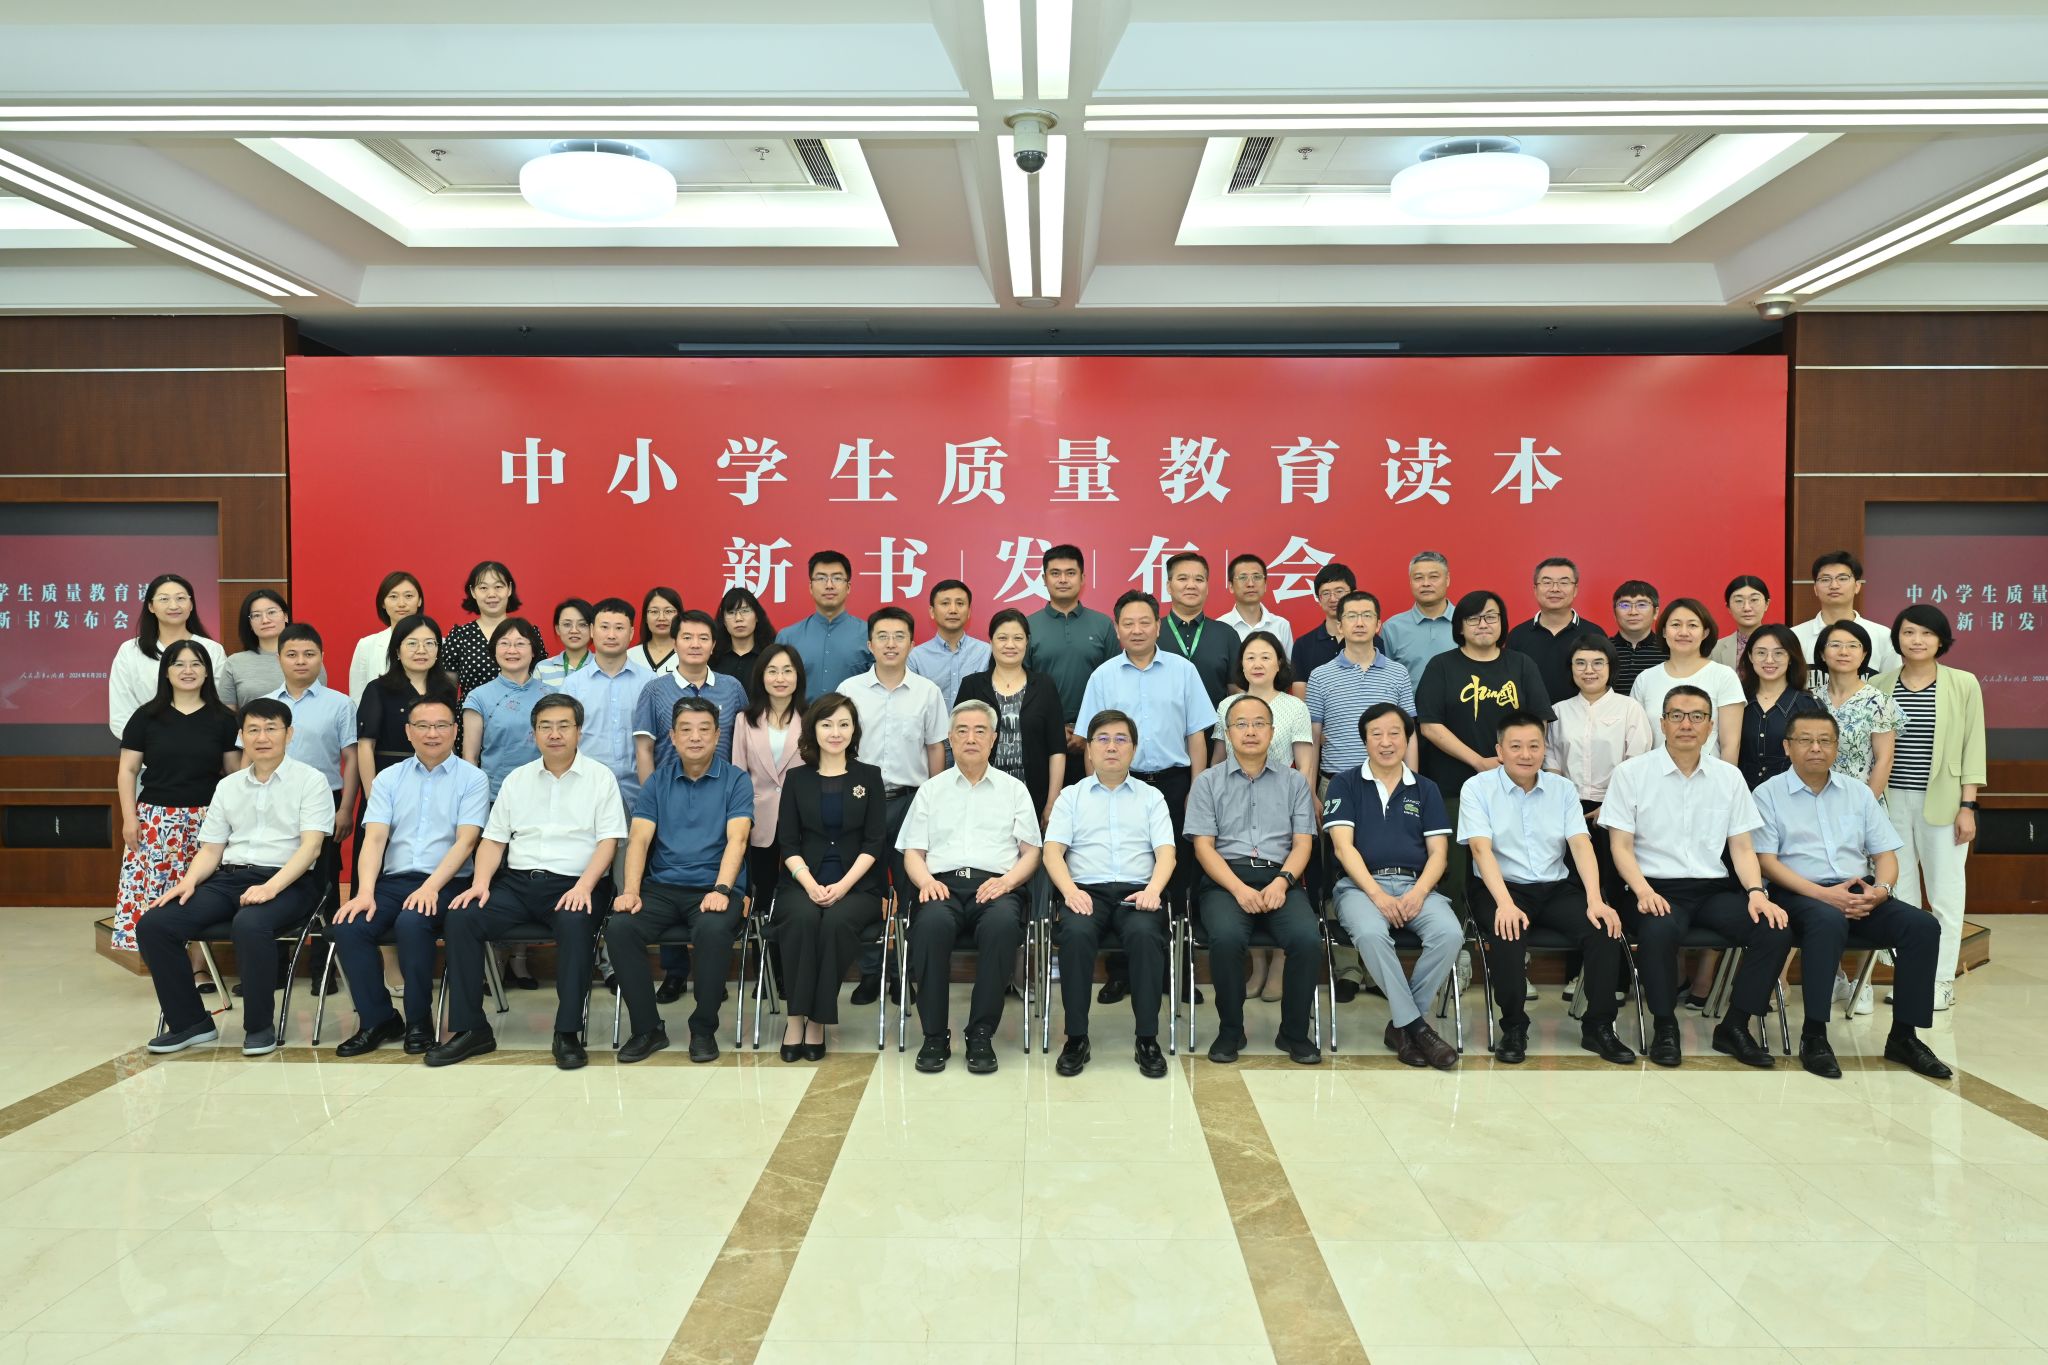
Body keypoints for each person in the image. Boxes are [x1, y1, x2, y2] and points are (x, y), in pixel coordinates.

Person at [430, 693, 625, 1070]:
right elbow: (494, 840)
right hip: (517, 884)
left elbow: (608, 842)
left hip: (576, 883)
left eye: (564, 726)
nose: (555, 734)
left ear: (579, 731)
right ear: (533, 733)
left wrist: (584, 886)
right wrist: (481, 883)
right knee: (463, 918)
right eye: (545, 726)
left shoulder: (600, 778)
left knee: (575, 922)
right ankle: (472, 1030)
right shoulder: (517, 779)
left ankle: (567, 1032)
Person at [1603, 684, 1794, 1069]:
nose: (1686, 725)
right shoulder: (1631, 773)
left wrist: (1756, 892)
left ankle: (1735, 1025)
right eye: (1676, 716)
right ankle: (1665, 1026)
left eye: (1697, 717)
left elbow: (1742, 847)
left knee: (1773, 928)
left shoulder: (1729, 778)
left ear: (1710, 726)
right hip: (1651, 886)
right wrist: (1642, 890)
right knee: (1658, 929)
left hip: (1712, 890)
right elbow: (1620, 846)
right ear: (1662, 723)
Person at [1753, 710, 1952, 1080]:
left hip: (1859, 891)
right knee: (1827, 920)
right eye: (1805, 740)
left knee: (1922, 926)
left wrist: (1881, 891)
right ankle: (1814, 1035)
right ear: (1787, 746)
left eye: (1825, 740)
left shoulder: (1857, 793)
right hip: (1799, 893)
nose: (1816, 748)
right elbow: (1766, 862)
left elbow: (1886, 856)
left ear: (1836, 746)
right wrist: (1824, 895)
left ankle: (1904, 1036)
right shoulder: (1768, 794)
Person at [138, 697, 333, 1056]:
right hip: (228, 879)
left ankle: (258, 1027)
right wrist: (188, 882)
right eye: (253, 730)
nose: (262, 737)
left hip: (289, 882)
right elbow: (211, 849)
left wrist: (270, 887)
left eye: (271, 728)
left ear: (289, 734)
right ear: (242, 736)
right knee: (155, 924)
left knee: (250, 924)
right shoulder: (229, 786)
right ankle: (190, 1022)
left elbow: (311, 849)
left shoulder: (311, 781)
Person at [1460, 710, 1637, 1067]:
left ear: (1544, 749)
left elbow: (1581, 844)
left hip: (1555, 887)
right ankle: (1514, 1027)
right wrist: (1505, 904)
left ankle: (1599, 1026)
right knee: (1507, 931)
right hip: (1501, 888)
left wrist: (1595, 899)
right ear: (1499, 750)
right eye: (1516, 746)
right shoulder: (1477, 788)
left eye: (1534, 746)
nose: (1526, 754)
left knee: (1604, 928)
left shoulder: (1562, 789)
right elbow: (1480, 849)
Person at [329, 694, 489, 1057]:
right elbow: (375, 838)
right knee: (350, 925)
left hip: (449, 882)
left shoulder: (473, 778)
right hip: (394, 882)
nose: (432, 733)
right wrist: (364, 892)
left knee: (413, 921)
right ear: (408, 731)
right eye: (423, 726)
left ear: (455, 731)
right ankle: (379, 1019)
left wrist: (431, 887)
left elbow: (467, 842)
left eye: (441, 726)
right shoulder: (389, 778)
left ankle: (419, 1021)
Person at [1079, 591, 1213, 1005]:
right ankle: (1122, 973)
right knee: (1124, 872)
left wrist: (1197, 789)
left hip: (1174, 784)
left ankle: (1177, 972)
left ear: (1158, 625)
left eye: (1144, 622)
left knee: (1178, 875)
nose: (1136, 630)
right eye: (1128, 623)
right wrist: (1095, 795)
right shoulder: (1103, 676)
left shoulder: (1183, 670)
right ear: (1117, 629)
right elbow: (1091, 742)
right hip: (1120, 784)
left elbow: (1196, 735)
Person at [606, 697, 754, 1064]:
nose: (695, 737)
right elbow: (639, 839)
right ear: (672, 737)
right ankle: (647, 1029)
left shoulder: (736, 780)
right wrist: (631, 891)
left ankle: (703, 1029)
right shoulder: (658, 781)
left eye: (704, 730)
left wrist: (722, 889)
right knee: (621, 927)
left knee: (713, 929)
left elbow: (738, 839)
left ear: (717, 736)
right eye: (686, 730)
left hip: (715, 886)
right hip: (662, 887)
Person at [899, 700, 1043, 1074]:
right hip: (941, 885)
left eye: (980, 731)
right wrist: (926, 881)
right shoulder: (931, 790)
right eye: (962, 731)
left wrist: (1007, 882)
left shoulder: (1014, 790)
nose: (971, 738)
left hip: (997, 886)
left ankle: (980, 1034)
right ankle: (934, 1035)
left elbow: (1032, 852)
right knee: (929, 927)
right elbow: (912, 852)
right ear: (950, 738)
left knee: (1002, 926)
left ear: (994, 738)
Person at [1323, 702, 1461, 1070]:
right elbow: (1343, 848)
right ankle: (1417, 1027)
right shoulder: (1344, 783)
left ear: (1407, 738)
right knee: (1370, 934)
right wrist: (1377, 894)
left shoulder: (1426, 788)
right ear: (1365, 741)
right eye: (1376, 734)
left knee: (1449, 934)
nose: (1386, 742)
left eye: (1394, 733)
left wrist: (1418, 893)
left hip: (1417, 885)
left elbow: (1439, 853)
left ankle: (1402, 1027)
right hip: (1359, 887)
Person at [1188, 693, 1321, 1065]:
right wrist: (1238, 888)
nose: (1250, 731)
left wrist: (1282, 882)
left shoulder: (1294, 782)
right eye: (1241, 724)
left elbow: (1303, 844)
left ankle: (1293, 1033)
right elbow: (1203, 848)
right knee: (1226, 938)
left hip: (1281, 878)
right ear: (1228, 732)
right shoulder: (1207, 782)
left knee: (1307, 939)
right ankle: (1231, 1030)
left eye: (1259, 724)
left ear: (1273, 732)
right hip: (1225, 881)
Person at [1043, 708, 1175, 1079]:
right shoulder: (1071, 797)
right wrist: (1069, 891)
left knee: (1146, 935)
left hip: (1138, 892)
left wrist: (1153, 890)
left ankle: (1147, 1038)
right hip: (1086, 891)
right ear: (1089, 749)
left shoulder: (1151, 797)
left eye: (1121, 740)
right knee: (1075, 934)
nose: (1111, 747)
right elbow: (1052, 852)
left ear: (1133, 749)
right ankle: (1076, 1037)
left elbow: (1167, 852)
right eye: (1102, 739)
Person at [1874, 604, 1983, 1012]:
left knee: (1945, 896)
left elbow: (1973, 746)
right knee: (1899, 896)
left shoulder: (1962, 683)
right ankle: (1909, 980)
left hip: (1944, 802)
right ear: (1897, 639)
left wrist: (1968, 805)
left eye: (1926, 633)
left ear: (1940, 640)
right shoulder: (1881, 684)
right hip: (1890, 804)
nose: (1916, 640)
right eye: (1908, 632)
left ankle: (1941, 982)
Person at [1416, 590, 1553, 913]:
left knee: (1510, 860)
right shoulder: (1442, 666)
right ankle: (1457, 931)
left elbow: (1539, 721)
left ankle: (1507, 925)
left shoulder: (1521, 664)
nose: (1483, 624)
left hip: (1514, 785)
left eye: (1491, 617)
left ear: (1502, 623)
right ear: (1460, 627)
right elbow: (1430, 725)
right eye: (1473, 618)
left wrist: (1514, 763)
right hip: (1453, 785)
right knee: (1454, 865)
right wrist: (1478, 761)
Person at [843, 605, 949, 1006]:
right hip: (860, 802)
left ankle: (909, 973)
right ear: (870, 644)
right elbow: (839, 745)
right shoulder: (850, 690)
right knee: (865, 889)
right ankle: (872, 972)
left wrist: (934, 801)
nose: (891, 644)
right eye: (882, 636)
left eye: (899, 636)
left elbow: (935, 748)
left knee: (915, 889)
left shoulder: (927, 692)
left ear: (911, 643)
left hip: (911, 802)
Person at [774, 693, 887, 1059]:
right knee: (802, 919)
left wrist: (842, 886)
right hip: (802, 882)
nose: (835, 732)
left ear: (854, 731)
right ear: (813, 730)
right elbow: (788, 842)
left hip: (857, 886)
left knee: (836, 923)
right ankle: (795, 1017)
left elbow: (874, 842)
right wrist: (810, 884)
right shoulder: (797, 779)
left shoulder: (869, 777)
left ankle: (818, 1021)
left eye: (843, 724)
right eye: (827, 724)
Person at [114, 642, 239, 960]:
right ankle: (165, 964)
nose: (188, 671)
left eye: (196, 664)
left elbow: (233, 773)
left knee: (201, 894)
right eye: (179, 664)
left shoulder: (224, 718)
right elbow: (128, 770)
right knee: (155, 890)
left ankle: (199, 966)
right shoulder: (146, 716)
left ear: (207, 672)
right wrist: (130, 818)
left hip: (207, 820)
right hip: (155, 820)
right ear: (166, 672)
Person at [261, 624, 359, 944]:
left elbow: (352, 759)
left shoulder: (340, 704)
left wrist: (346, 809)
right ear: (279, 659)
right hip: (273, 799)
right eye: (292, 654)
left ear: (322, 657)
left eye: (309, 654)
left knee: (324, 880)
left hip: (326, 800)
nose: (301, 661)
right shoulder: (263, 705)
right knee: (272, 872)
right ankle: (275, 962)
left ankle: (324, 963)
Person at [1544, 633, 1653, 912]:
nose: (1588, 670)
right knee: (1574, 884)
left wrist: (1611, 806)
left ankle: (1621, 935)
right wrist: (1563, 807)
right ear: (1571, 668)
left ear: (1610, 667)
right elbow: (1551, 760)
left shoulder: (1630, 709)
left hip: (1616, 808)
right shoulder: (1558, 712)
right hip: (1570, 809)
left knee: (1615, 882)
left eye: (1597, 663)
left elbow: (1637, 763)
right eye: (1580, 663)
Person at [957, 608, 1067, 827]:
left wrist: (1052, 801)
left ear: (1027, 642)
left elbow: (1057, 749)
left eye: (1017, 638)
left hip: (1032, 797)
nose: (1010, 645)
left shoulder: (1044, 685)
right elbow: (959, 742)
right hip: (979, 794)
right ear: (991, 642)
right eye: (1002, 638)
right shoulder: (972, 685)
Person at [730, 644, 808, 939]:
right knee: (762, 897)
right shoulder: (744, 719)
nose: (780, 678)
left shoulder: (811, 717)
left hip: (802, 820)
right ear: (761, 676)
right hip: (758, 820)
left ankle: (791, 961)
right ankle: (765, 962)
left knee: (796, 896)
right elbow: (739, 774)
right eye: (772, 671)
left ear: (798, 676)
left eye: (787, 671)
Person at [1026, 544, 1119, 782]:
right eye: (1055, 573)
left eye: (1070, 573)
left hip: (1096, 739)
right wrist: (1053, 729)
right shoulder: (1027, 626)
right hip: (1041, 739)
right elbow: (1023, 687)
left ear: (1083, 578)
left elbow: (1114, 685)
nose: (1063, 580)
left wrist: (1087, 730)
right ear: (1044, 579)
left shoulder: (1103, 625)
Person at [555, 597, 654, 818]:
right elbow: (563, 741)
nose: (611, 635)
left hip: (638, 793)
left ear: (631, 633)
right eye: (604, 627)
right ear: (592, 630)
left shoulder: (649, 683)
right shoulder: (572, 685)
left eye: (619, 628)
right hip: (585, 793)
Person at [1307, 591, 1417, 781]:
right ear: (1340, 626)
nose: (1359, 623)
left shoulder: (1398, 673)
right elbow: (1314, 738)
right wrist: (1310, 788)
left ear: (1378, 624)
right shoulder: (1319, 676)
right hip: (1336, 781)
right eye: (1351, 616)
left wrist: (1412, 782)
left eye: (1367, 615)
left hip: (1389, 780)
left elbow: (1410, 734)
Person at [108, 573, 227, 739]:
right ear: (151, 606)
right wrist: (147, 742)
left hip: (202, 743)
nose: (173, 605)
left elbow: (219, 702)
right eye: (164, 599)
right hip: (146, 747)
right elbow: (121, 712)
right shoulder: (130, 650)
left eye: (181, 598)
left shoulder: (212, 649)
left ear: (191, 605)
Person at [635, 610, 748, 775]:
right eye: (687, 638)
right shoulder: (654, 690)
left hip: (723, 787)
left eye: (703, 638)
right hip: (669, 787)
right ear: (674, 644)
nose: (695, 645)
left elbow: (746, 745)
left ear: (713, 645)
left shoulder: (733, 688)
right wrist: (651, 791)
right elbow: (644, 749)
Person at [1629, 598, 1742, 762]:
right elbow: (1637, 743)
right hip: (1655, 773)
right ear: (1664, 631)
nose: (1683, 632)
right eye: (1675, 625)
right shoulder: (1645, 679)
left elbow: (1730, 745)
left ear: (1705, 633)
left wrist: (1725, 778)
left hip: (1708, 773)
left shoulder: (1723, 676)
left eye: (1692, 625)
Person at [356, 613, 460, 791]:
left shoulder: (446, 689)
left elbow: (449, 741)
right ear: (397, 650)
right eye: (412, 643)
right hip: (389, 781)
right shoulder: (378, 689)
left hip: (437, 781)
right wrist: (371, 794)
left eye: (429, 643)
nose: (421, 650)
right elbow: (366, 745)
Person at [460, 618, 552, 798]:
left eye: (520, 643)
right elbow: (470, 758)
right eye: (504, 643)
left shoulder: (551, 695)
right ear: (494, 650)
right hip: (496, 795)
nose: (512, 650)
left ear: (533, 650)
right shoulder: (478, 697)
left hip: (545, 793)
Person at [1813, 619, 1905, 799]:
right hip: (1812, 800)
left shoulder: (1879, 701)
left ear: (1864, 655)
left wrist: (1865, 806)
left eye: (1853, 646)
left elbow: (1884, 760)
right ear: (1822, 654)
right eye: (1835, 645)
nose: (1843, 652)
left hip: (1861, 800)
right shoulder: (1810, 699)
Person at [1735, 624, 1825, 789]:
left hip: (1793, 796)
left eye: (1778, 653)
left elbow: (1819, 757)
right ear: (1750, 656)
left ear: (1790, 657)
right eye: (1761, 653)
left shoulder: (1809, 705)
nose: (1769, 660)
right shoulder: (1736, 700)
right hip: (1742, 795)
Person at [777, 550, 871, 694]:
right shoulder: (787, 637)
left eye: (837, 578)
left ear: (848, 587)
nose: (829, 585)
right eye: (821, 578)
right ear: (810, 587)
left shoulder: (869, 634)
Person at [1792, 550, 1901, 675]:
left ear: (1857, 586)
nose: (1834, 585)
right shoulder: (1795, 637)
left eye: (1842, 578)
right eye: (1825, 579)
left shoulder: (1883, 636)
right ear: (1815, 589)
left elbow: (1892, 683)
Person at [1504, 557, 1588, 706]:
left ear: (1575, 589)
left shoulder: (1593, 634)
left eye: (1564, 582)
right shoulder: (1517, 636)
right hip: (1530, 718)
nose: (1555, 589)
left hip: (1582, 718)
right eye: (1547, 582)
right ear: (1535, 589)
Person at [221, 588, 324, 708]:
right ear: (250, 623)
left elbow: (321, 704)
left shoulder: (307, 659)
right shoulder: (235, 663)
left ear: (285, 616)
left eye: (271, 612)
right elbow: (226, 713)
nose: (265, 620)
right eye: (257, 615)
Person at [1158, 552, 1236, 705]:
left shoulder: (1226, 634)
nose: (1191, 585)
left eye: (1199, 580)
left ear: (1207, 587)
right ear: (1169, 586)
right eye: (1182, 579)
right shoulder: (1152, 633)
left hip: (1215, 721)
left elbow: (1236, 692)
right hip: (1162, 720)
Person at [908, 578, 991, 706]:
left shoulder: (986, 652)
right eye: (945, 603)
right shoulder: (916, 657)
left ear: (969, 612)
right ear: (932, 612)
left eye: (960, 603)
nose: (953, 610)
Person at [441, 560, 519, 697]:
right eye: (483, 588)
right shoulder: (459, 636)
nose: (491, 594)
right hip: (471, 710)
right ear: (473, 591)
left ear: (509, 589)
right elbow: (447, 691)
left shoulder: (527, 633)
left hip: (521, 710)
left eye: (498, 587)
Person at [348, 571, 423, 706]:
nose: (401, 603)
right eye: (393, 596)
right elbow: (357, 698)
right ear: (383, 603)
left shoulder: (439, 643)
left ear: (419, 601)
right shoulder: (367, 645)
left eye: (408, 596)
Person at [1380, 550, 1455, 682]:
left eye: (1433, 577)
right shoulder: (1392, 628)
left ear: (1447, 579)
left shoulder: (1467, 622)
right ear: (1410, 582)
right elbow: (1383, 679)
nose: (1426, 583)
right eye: (1418, 578)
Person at [1288, 561, 1355, 695]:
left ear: (1353, 594)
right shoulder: (1303, 645)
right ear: (1318, 599)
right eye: (1325, 593)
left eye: (1339, 591)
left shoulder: (1370, 641)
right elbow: (1300, 694)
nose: (1333, 599)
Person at [1219, 552, 1294, 655]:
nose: (1250, 584)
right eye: (1243, 578)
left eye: (1257, 577)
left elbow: (1287, 664)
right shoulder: (1220, 627)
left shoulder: (1281, 625)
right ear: (1231, 586)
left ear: (1265, 585)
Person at [1606, 580, 1668, 700]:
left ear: (1656, 612)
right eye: (1625, 605)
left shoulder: (1669, 649)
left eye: (1642, 605)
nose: (1633, 612)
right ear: (1614, 613)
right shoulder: (1602, 650)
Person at [711, 586, 775, 684]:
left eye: (745, 611)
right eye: (731, 612)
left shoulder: (771, 656)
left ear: (757, 616)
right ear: (723, 620)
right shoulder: (712, 657)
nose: (738, 618)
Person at [1711, 575, 1772, 670]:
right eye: (1739, 601)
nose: (1747, 608)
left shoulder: (1782, 644)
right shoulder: (1715, 650)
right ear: (1728, 607)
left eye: (1754, 600)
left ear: (1766, 604)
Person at [534, 597, 594, 688]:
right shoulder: (542, 668)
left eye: (582, 624)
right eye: (567, 624)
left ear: (592, 628)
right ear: (557, 629)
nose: (574, 630)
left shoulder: (602, 665)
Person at [636, 585, 683, 677]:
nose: (661, 618)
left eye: (668, 611)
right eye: (654, 612)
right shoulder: (630, 656)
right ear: (645, 617)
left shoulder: (689, 655)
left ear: (679, 616)